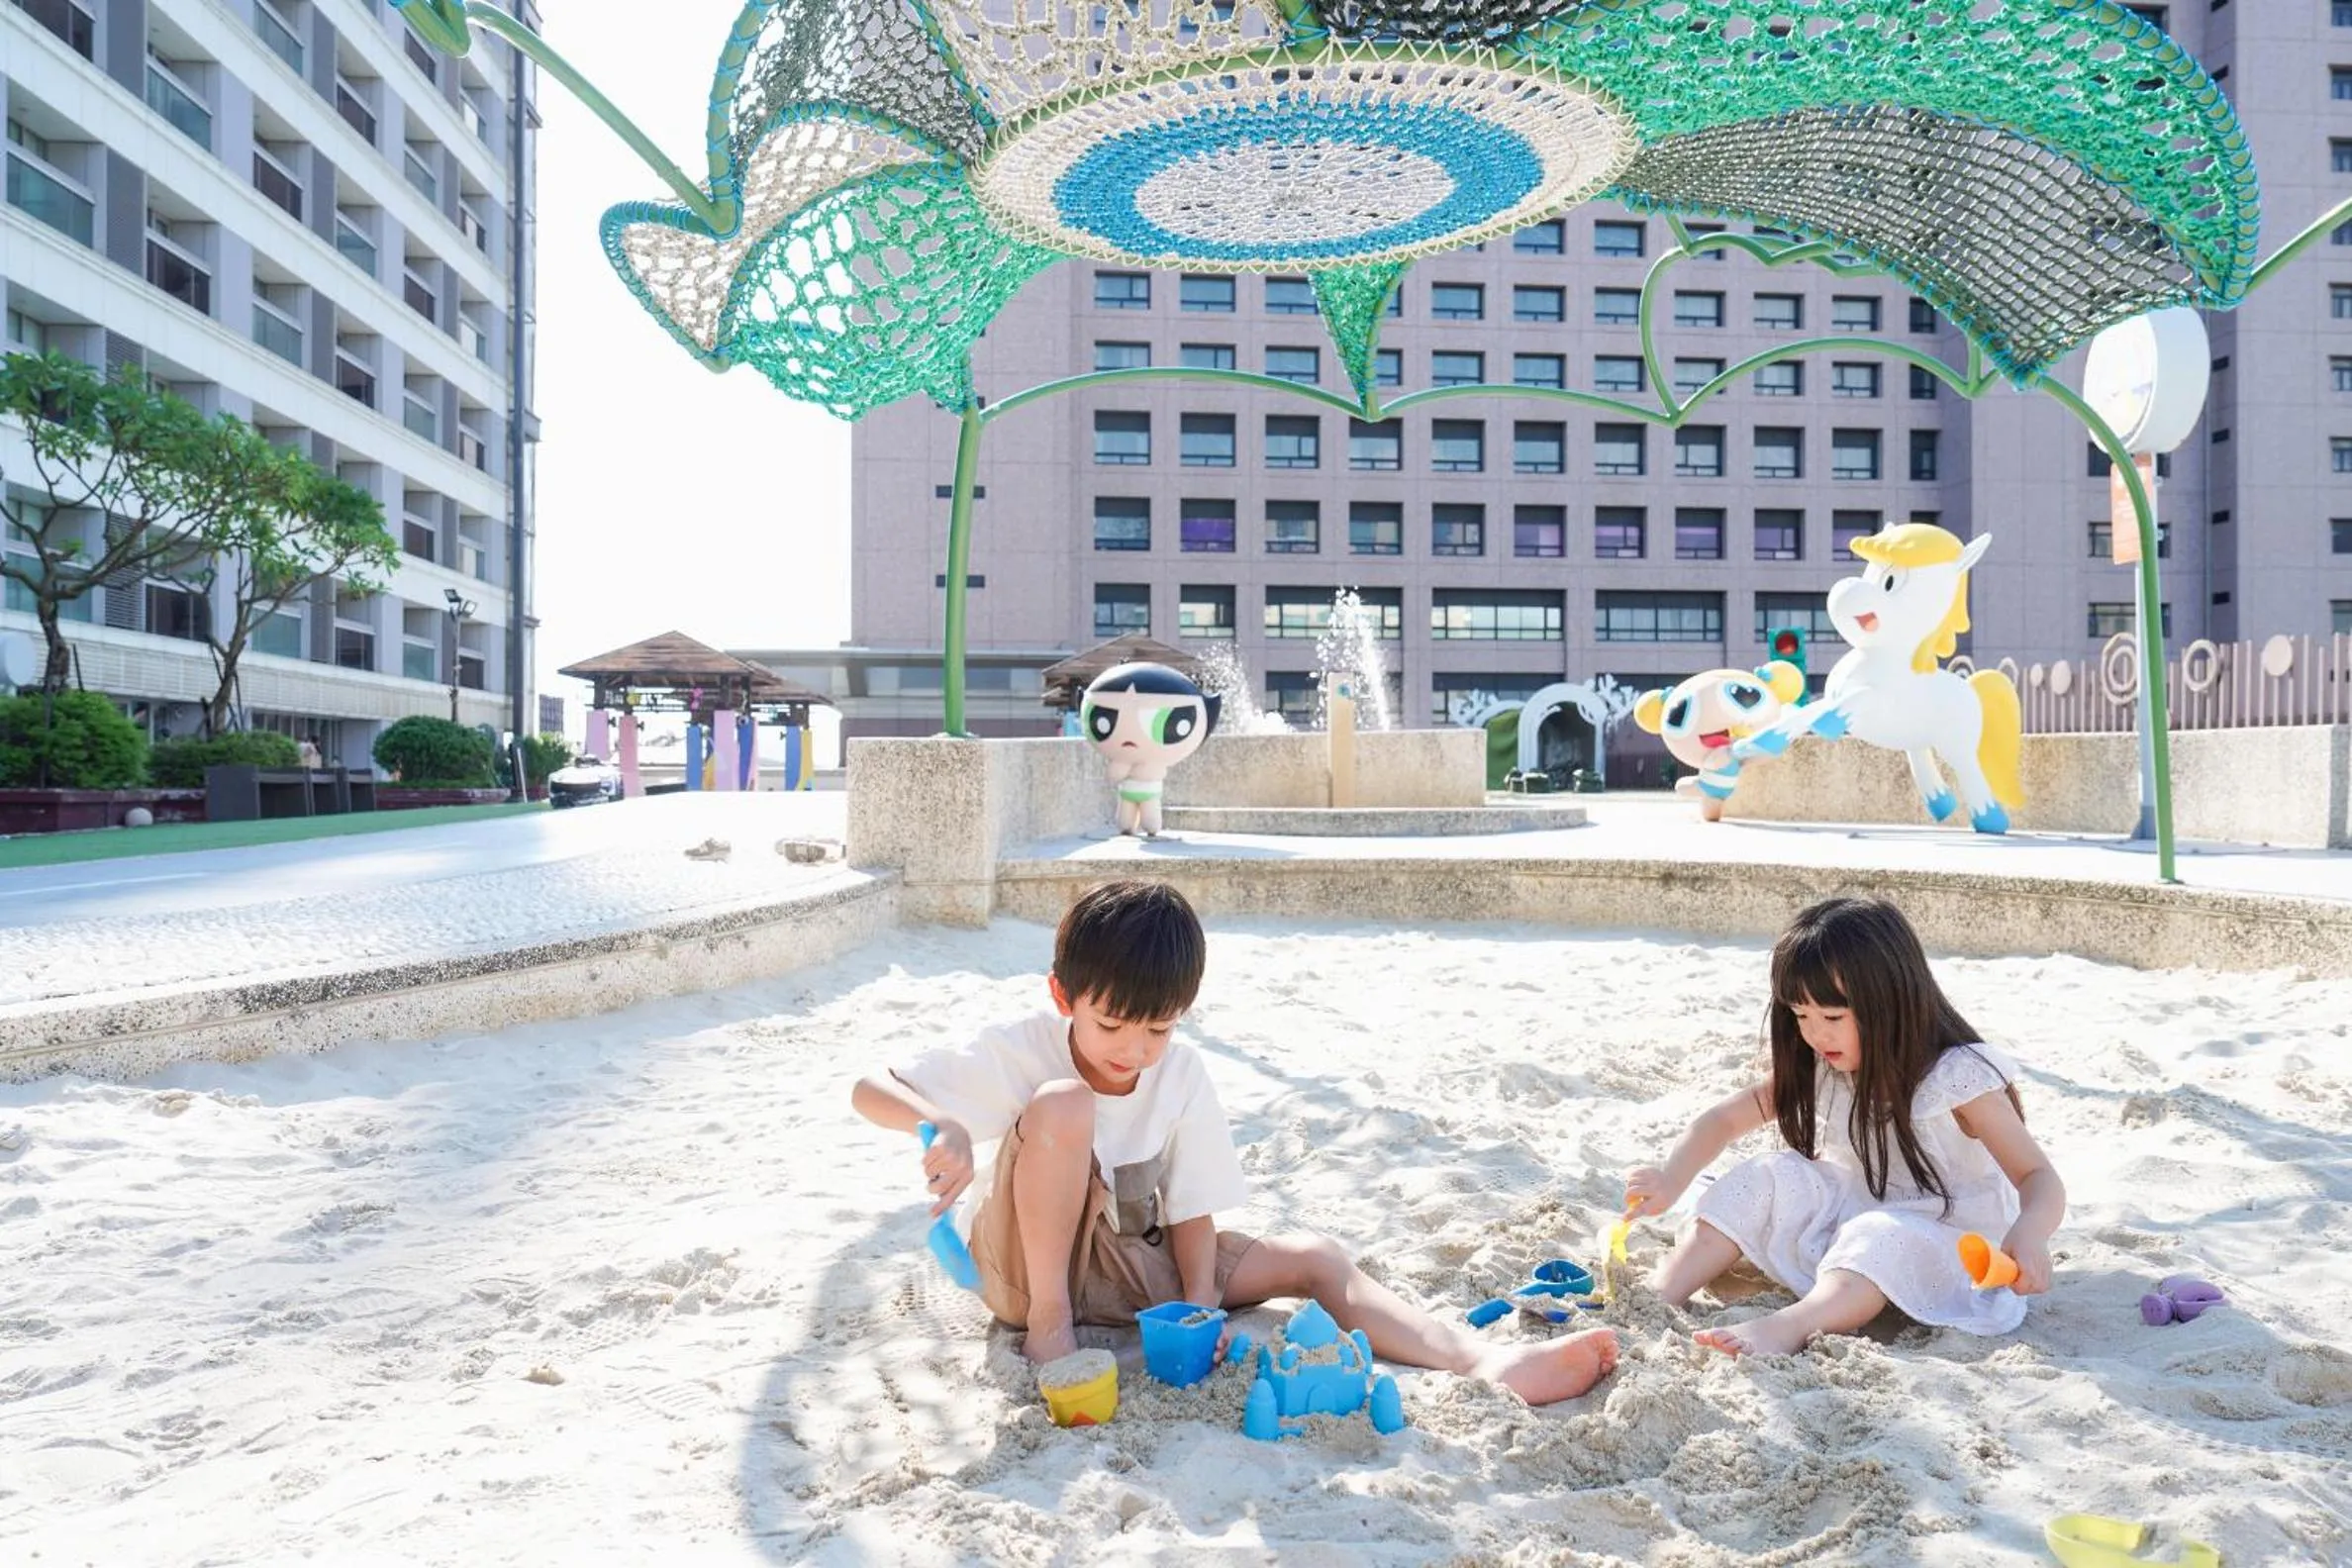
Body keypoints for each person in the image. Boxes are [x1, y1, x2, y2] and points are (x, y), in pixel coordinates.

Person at [851, 879, 1618, 1405]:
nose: (1134, 1050)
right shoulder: (1023, 1049)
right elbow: (868, 1088)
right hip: (1029, 1276)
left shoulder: (1180, 1074)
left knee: (1316, 1256)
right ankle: (1053, 1330)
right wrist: (945, 1125)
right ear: (1064, 996)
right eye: (1111, 1025)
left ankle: (1483, 1360)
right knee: (1062, 1103)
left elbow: (1191, 1209)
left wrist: (1199, 1306)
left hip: (1133, 1270)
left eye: (1158, 1028)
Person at [1627, 896, 2066, 1357]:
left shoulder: (1956, 1078)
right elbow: (1723, 1119)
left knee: (1879, 1233)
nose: (1816, 1034)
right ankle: (1660, 1291)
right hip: (1851, 1220)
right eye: (1801, 1015)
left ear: (1890, 1002)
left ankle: (1791, 1325)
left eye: (1833, 1017)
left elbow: (2038, 1176)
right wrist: (1671, 1179)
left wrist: (2031, 1232)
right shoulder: (1825, 1069)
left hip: (1947, 1245)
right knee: (1766, 1174)